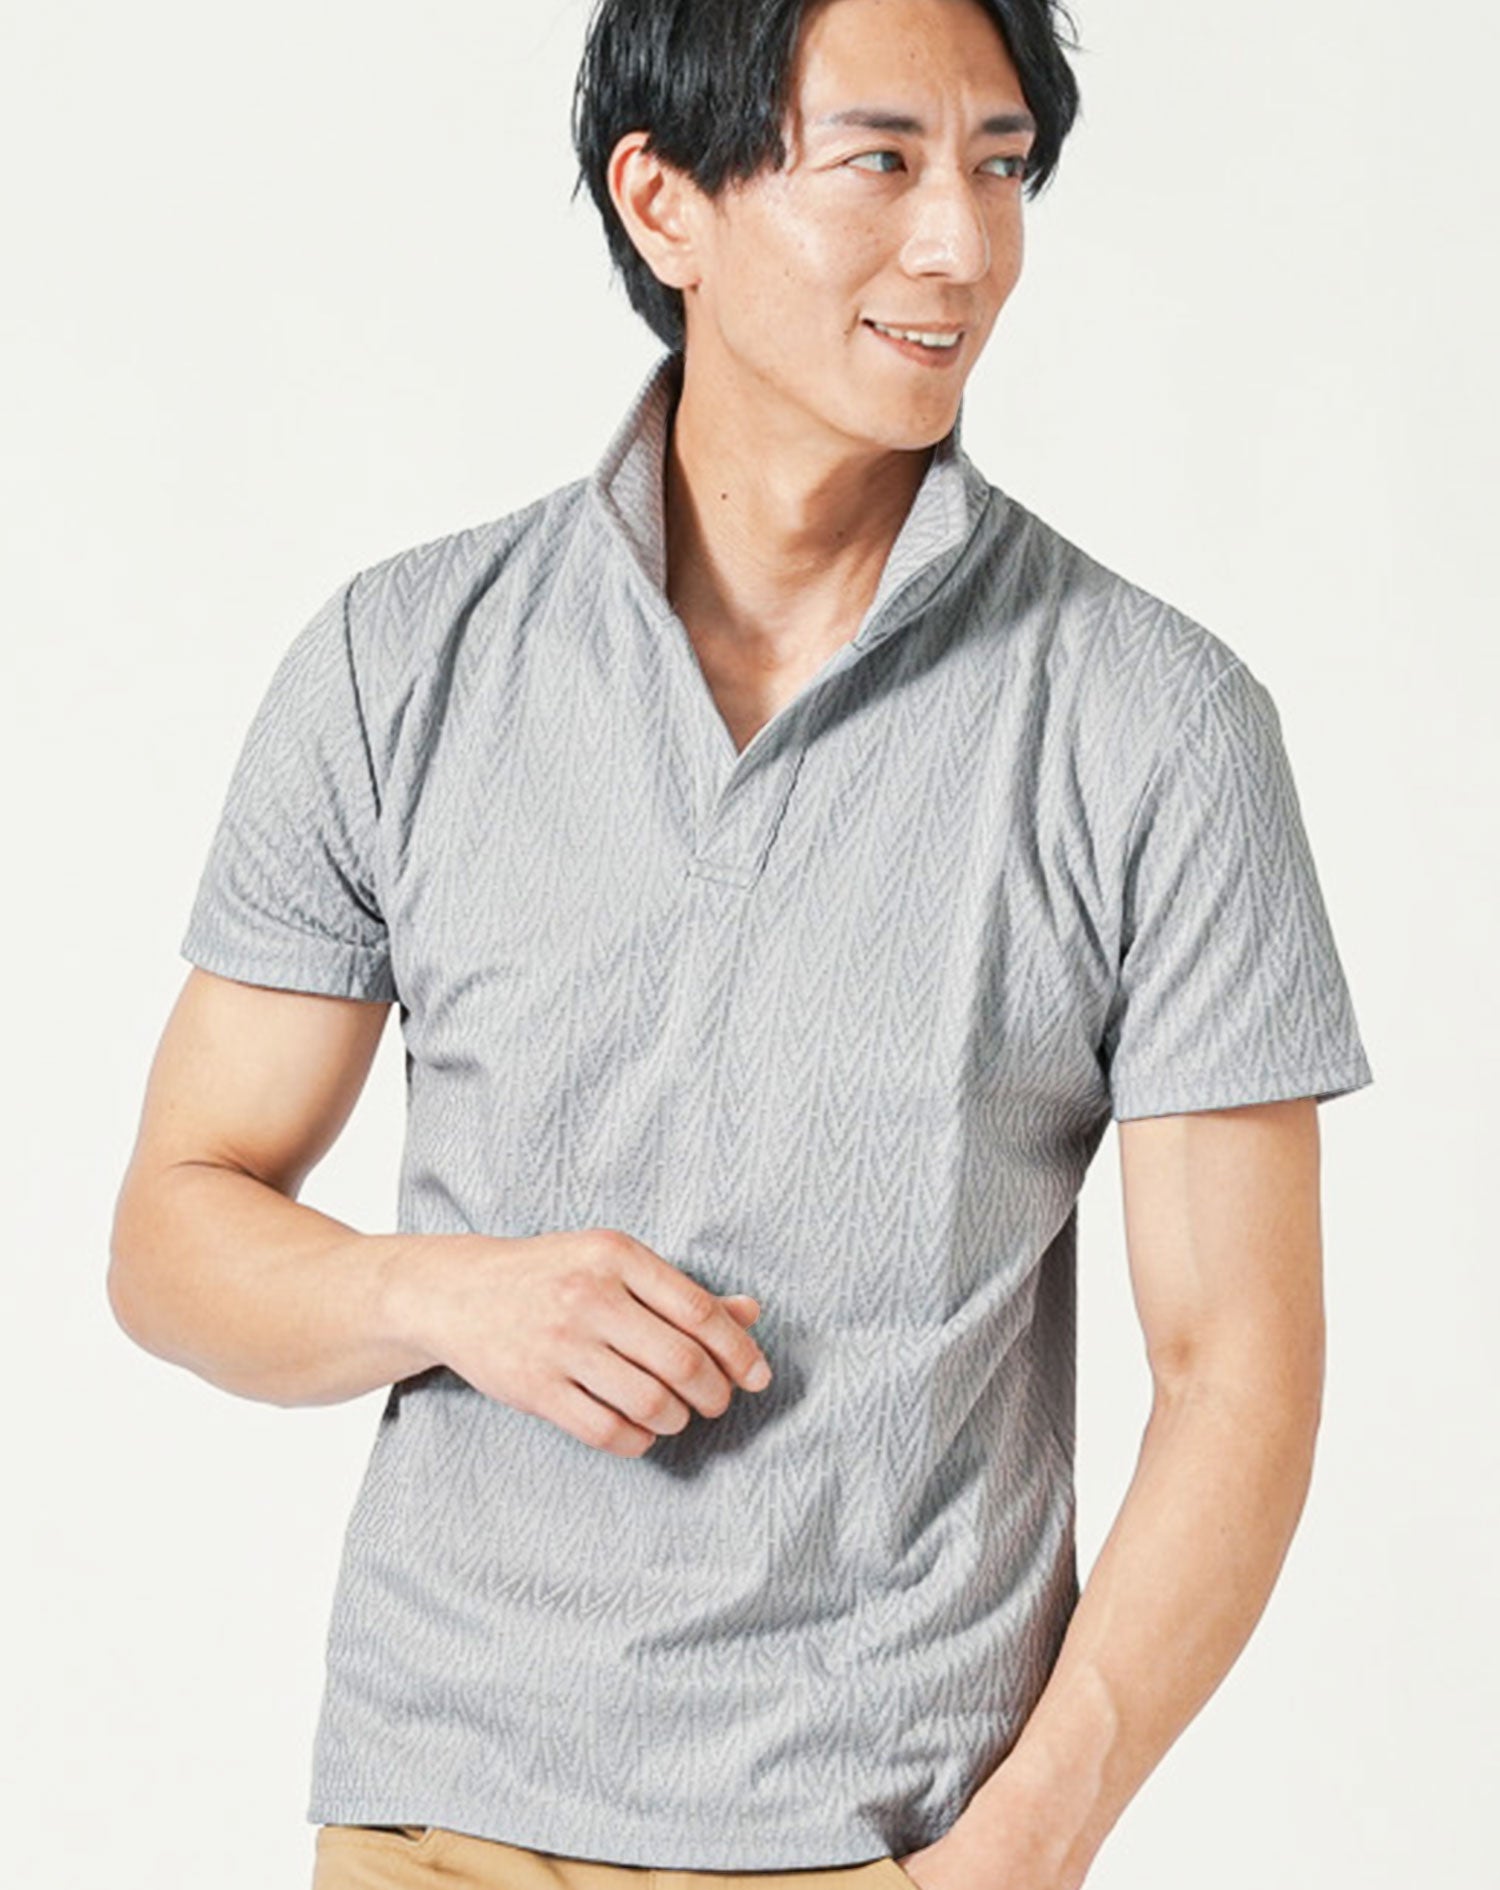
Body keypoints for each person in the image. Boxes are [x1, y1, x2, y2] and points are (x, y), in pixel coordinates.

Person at [108, 1, 1375, 1887]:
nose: (962, 244)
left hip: (883, 1835)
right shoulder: (400, 662)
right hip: (434, 1820)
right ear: (664, 201)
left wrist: (1021, 1845)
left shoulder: (1156, 723)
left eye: (1001, 167)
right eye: (882, 160)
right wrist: (448, 1295)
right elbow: (171, 1231)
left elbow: (1238, 1376)